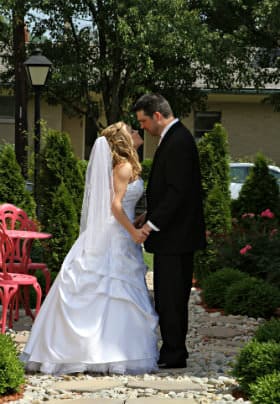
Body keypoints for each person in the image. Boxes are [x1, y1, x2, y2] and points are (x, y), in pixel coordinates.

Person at [20, 122, 159, 375]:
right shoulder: (124, 166)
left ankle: (102, 350)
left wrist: (137, 219)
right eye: (132, 130)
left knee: (113, 291)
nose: (137, 132)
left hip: (118, 231)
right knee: (112, 288)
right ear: (123, 140)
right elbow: (115, 205)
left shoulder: (125, 165)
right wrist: (134, 232)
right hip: (116, 235)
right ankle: (107, 353)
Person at [133, 93, 206, 369]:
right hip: (174, 237)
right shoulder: (175, 139)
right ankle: (173, 350)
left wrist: (151, 226)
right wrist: (147, 214)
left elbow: (178, 192)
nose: (143, 128)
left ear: (158, 116)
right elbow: (170, 190)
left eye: (144, 121)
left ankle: (175, 354)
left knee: (172, 298)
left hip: (175, 239)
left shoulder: (178, 142)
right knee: (167, 297)